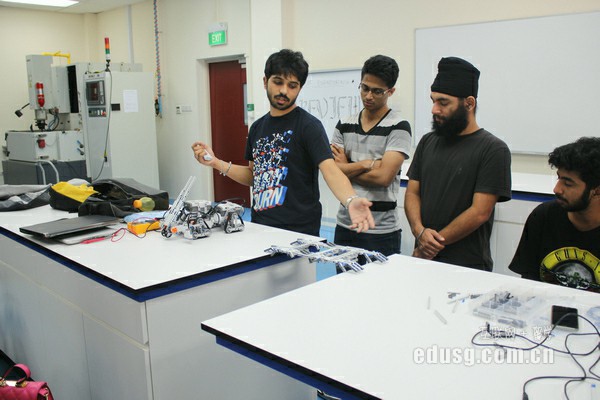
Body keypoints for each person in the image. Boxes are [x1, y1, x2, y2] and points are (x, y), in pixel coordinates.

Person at [191, 49, 374, 237]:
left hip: (299, 231)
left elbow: (330, 171)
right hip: (261, 226)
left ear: (300, 88)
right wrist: (215, 162)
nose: (284, 91)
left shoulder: (309, 126)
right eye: (278, 82)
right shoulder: (257, 128)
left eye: (292, 85)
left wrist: (350, 200)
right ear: (265, 82)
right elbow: (254, 176)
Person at [404, 56, 512, 271]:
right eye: (433, 101)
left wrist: (430, 246)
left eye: (443, 102)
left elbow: (480, 212)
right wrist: (419, 231)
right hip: (424, 259)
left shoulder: (493, 149)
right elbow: (413, 193)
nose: (434, 109)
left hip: (467, 266)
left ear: (469, 103)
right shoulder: (427, 142)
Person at [330, 55, 411, 258]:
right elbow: (332, 172)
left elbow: (383, 178)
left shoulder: (399, 127)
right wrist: (367, 164)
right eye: (364, 88)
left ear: (390, 92)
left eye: (377, 91)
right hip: (345, 225)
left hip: (381, 231)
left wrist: (346, 168)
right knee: (343, 279)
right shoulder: (344, 124)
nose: (368, 96)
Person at [509, 137, 600, 292]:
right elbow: (529, 284)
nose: (557, 189)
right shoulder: (543, 216)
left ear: (596, 191)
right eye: (558, 178)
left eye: (568, 183)